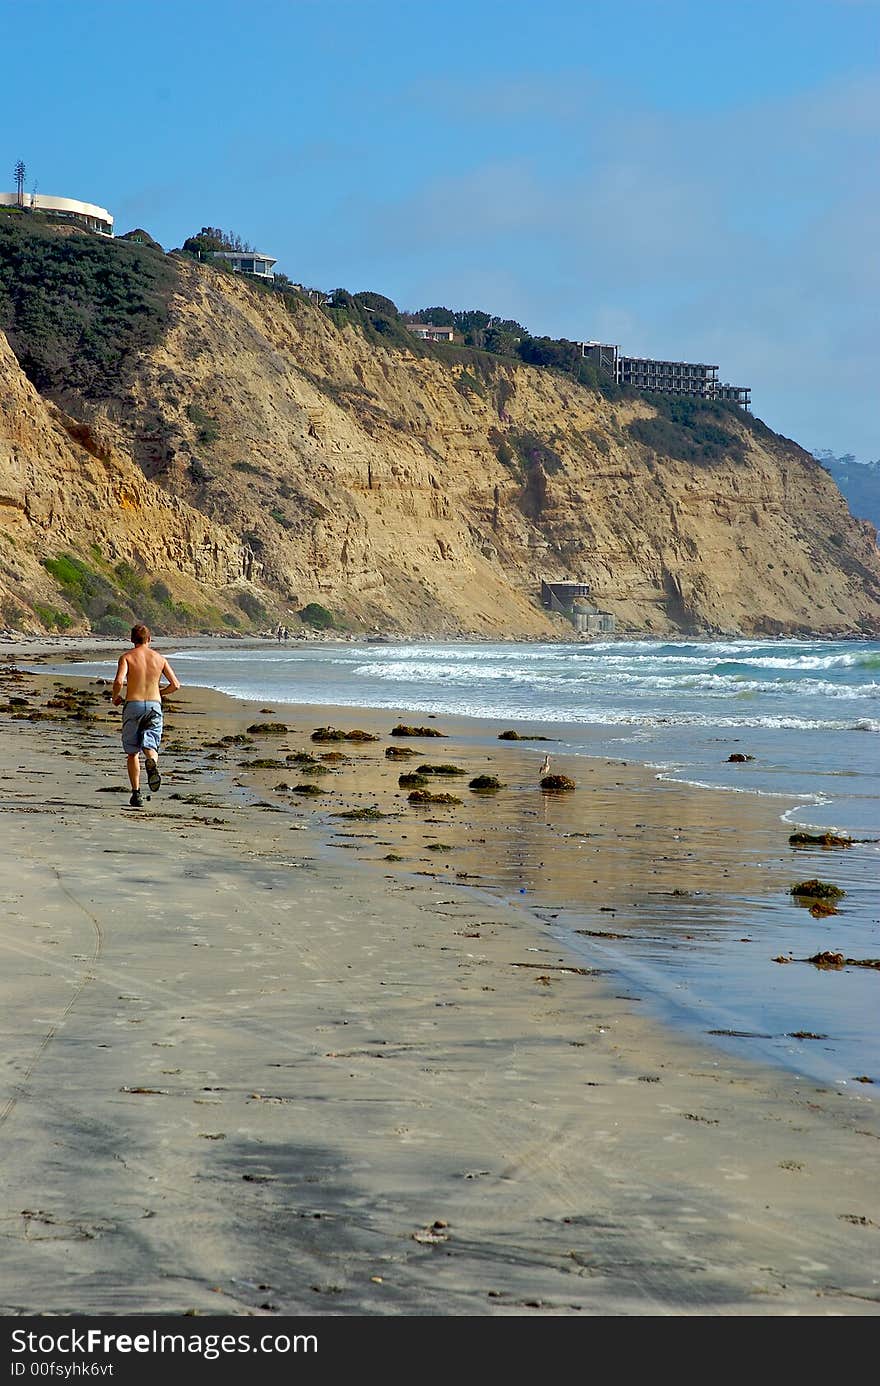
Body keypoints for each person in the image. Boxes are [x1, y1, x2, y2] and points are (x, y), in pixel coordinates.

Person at [112, 624, 181, 808]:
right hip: (153, 705)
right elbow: (175, 684)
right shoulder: (159, 659)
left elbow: (119, 680)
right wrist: (160, 693)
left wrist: (115, 697)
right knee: (151, 743)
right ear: (149, 639)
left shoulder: (126, 657)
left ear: (132, 640)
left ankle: (136, 794)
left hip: (133, 704)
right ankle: (151, 761)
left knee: (132, 752)